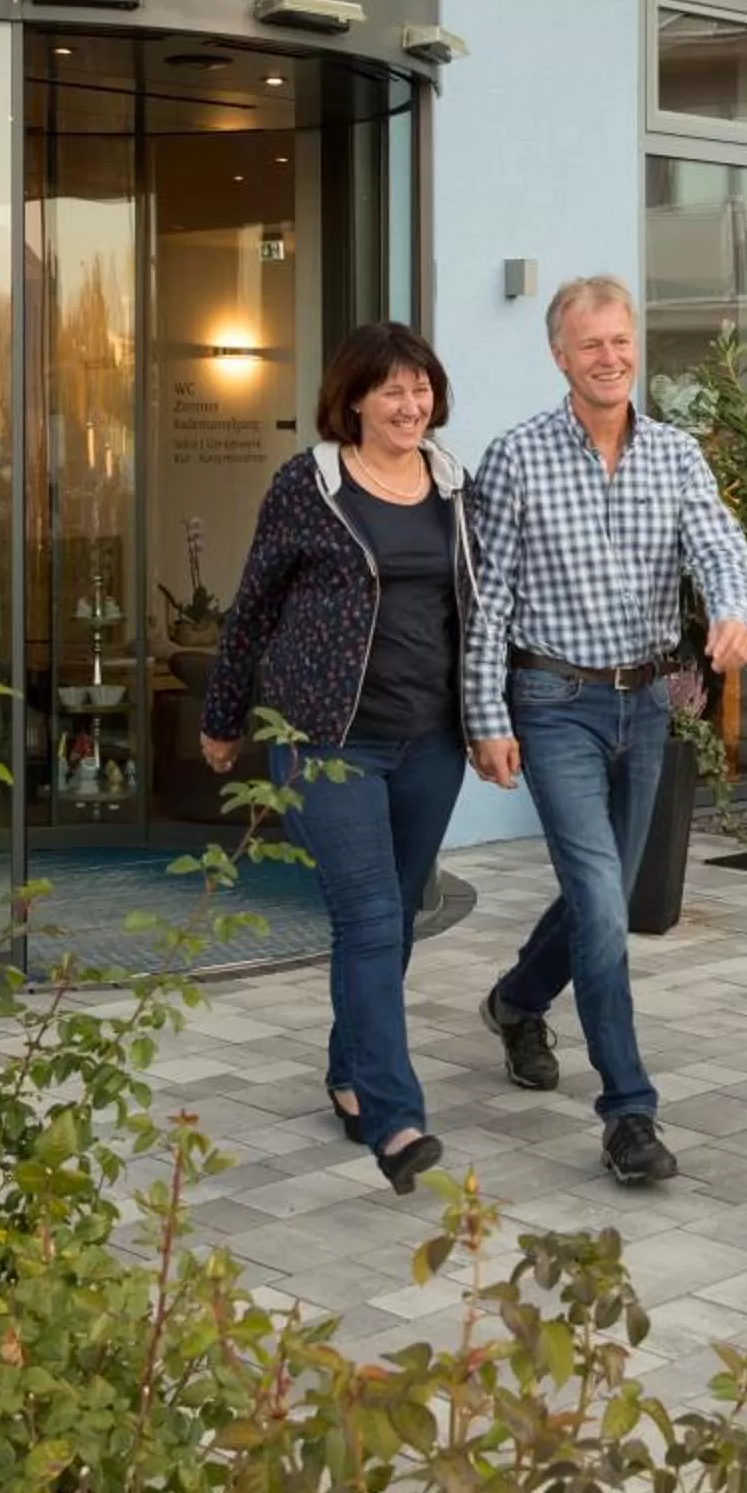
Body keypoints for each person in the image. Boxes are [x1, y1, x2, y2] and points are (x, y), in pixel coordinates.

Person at [464, 275, 747, 1186]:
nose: (611, 357)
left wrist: (734, 611)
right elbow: (488, 599)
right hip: (553, 703)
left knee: (608, 896)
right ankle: (629, 1111)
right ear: (561, 356)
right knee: (600, 903)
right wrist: (487, 716)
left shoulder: (674, 455)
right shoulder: (515, 457)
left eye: (622, 340)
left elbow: (718, 545)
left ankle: (517, 1001)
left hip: (647, 703)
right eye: (591, 344)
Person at [198, 322, 473, 1197]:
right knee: (368, 917)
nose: (411, 404)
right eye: (391, 390)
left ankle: (349, 1072)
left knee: (394, 911)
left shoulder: (456, 486)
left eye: (421, 386)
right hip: (327, 740)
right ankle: (394, 1120)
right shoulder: (309, 485)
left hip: (432, 739)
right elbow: (252, 606)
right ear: (352, 399)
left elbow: (484, 608)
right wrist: (225, 713)